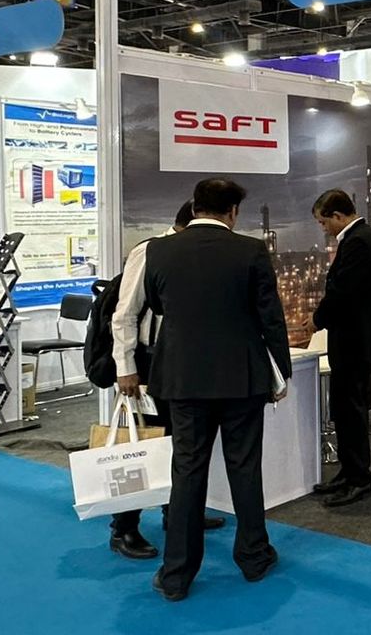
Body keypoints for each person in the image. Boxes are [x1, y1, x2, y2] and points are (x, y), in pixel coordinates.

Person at [143, 178, 291, 601]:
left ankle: (176, 574)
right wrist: (280, 373)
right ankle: (254, 557)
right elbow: (270, 317)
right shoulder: (251, 251)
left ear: (194, 207)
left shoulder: (159, 250)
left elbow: (157, 304)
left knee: (187, 472)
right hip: (241, 378)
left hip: (183, 379)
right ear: (233, 212)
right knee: (245, 468)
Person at [108, 200, 224, 560]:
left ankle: (178, 514)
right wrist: (125, 366)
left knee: (183, 444)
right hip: (147, 363)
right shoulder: (150, 252)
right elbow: (124, 314)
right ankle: (124, 527)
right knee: (141, 444)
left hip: (182, 363)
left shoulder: (189, 254)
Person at [310, 188, 371, 508]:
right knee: (346, 408)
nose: (324, 229)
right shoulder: (364, 237)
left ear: (337, 215)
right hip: (357, 337)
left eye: (324, 222)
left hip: (356, 339)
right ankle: (349, 472)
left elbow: (343, 292)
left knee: (351, 410)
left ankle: (359, 478)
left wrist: (317, 319)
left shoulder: (359, 241)